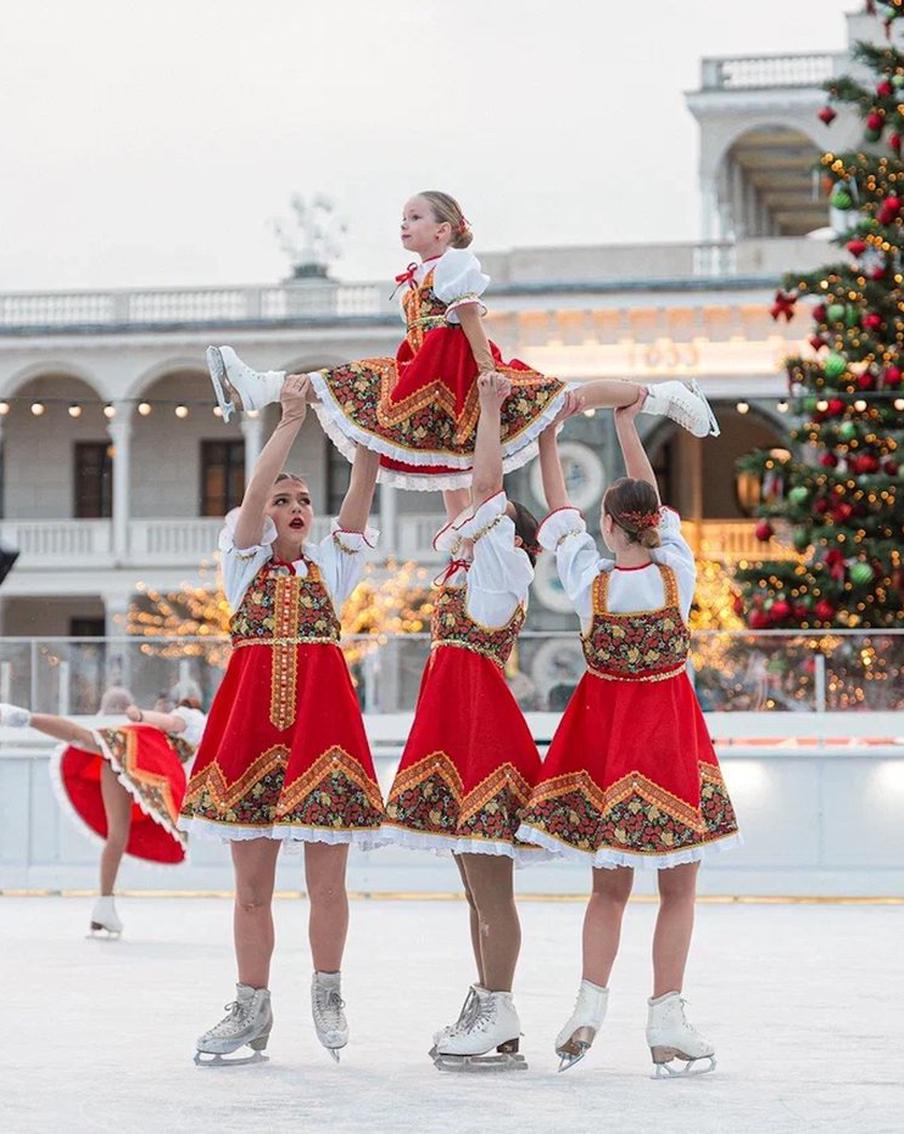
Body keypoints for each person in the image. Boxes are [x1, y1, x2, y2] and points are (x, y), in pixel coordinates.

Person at [205, 191, 719, 491]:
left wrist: (485, 368)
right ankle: (262, 387)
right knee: (365, 390)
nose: (403, 224)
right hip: (428, 372)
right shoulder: (422, 271)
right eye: (403, 218)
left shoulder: (452, 265)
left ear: (444, 229)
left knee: (567, 396)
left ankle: (664, 394)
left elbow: (470, 313)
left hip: (459, 371)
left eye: (415, 217)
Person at [516, 397, 740, 1077]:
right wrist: (625, 421)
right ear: (654, 524)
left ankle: (587, 1005)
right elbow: (655, 500)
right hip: (670, 738)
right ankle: (666, 1018)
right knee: (678, 890)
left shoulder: (590, 580)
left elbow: (557, 515)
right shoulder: (680, 570)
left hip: (609, 745)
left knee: (607, 890)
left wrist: (550, 437)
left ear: (608, 526)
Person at [180, 374, 385, 1066]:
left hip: (323, 740)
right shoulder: (241, 566)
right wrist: (289, 419)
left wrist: (365, 429)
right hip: (249, 738)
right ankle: (251, 1004)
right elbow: (251, 493)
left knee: (327, 882)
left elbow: (361, 484)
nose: (296, 505)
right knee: (251, 890)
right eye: (282, 499)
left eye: (302, 499)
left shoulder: (332, 564)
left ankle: (327, 988)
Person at [384, 374, 576, 1070]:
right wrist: (438, 434)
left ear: (511, 538)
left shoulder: (504, 574)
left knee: (489, 889)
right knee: (473, 888)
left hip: (481, 740)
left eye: (488, 517)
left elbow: (485, 495)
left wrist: (491, 410)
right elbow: (462, 490)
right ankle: (489, 1003)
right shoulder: (473, 571)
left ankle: (500, 1003)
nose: (468, 516)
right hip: (455, 735)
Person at [0, 684, 206, 936]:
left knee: (117, 832)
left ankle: (104, 906)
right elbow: (172, 722)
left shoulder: (189, 721)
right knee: (116, 830)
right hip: (143, 753)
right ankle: (26, 718)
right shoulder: (195, 719)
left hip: (132, 758)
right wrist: (142, 716)